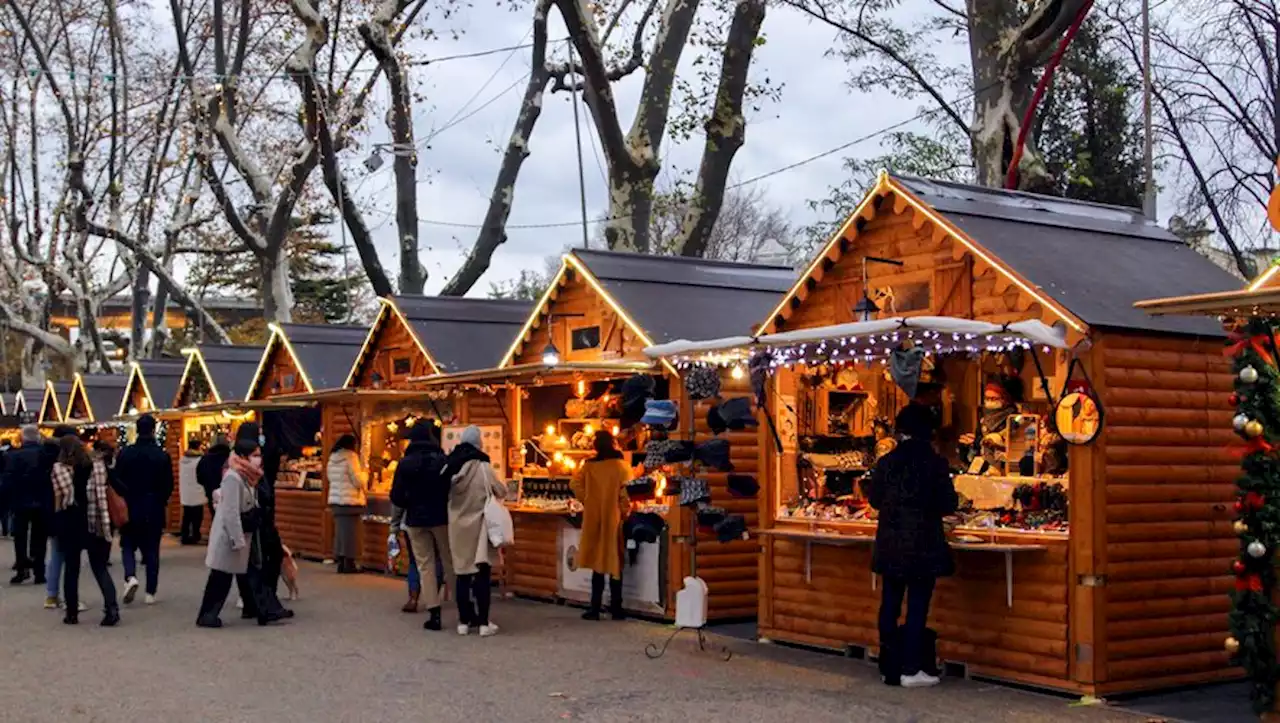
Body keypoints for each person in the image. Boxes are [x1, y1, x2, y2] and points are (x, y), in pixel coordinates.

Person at [865, 403, 959, 689]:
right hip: (923, 542)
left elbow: (875, 500)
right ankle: (911, 668)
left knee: (890, 603)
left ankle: (888, 665)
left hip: (891, 542)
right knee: (918, 605)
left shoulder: (887, 462)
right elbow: (948, 504)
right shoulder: (935, 464)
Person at [197, 424, 281, 628]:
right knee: (221, 577)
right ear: (243, 456)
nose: (258, 459)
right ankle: (208, 615)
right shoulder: (234, 478)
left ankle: (261, 609)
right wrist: (237, 539)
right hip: (231, 536)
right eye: (255, 455)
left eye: (259, 454)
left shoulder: (247, 477)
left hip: (243, 533)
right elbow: (230, 512)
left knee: (241, 573)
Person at [446, 425, 507, 637]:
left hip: (457, 527)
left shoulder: (451, 465)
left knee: (462, 574)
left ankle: (463, 622)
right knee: (482, 575)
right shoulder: (483, 466)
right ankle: (483, 623)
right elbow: (500, 490)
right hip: (479, 527)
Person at [52, 437, 120, 626]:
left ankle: (71, 613)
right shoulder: (97, 466)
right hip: (95, 520)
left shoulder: (59, 469)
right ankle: (112, 609)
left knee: (71, 569)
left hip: (71, 521)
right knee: (99, 567)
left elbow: (60, 498)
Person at [390, 423, 451, 630]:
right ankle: (464, 608)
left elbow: (396, 496)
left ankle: (434, 613)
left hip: (415, 519)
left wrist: (409, 503)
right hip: (441, 517)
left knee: (424, 564)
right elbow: (451, 489)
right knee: (448, 560)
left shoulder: (405, 463)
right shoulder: (442, 461)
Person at [112, 414, 175, 605]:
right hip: (153, 505)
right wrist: (160, 499)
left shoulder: (125, 453)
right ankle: (151, 592)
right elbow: (168, 484)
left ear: (137, 429)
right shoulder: (162, 455)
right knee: (152, 549)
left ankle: (130, 576)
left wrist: (124, 495)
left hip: (130, 505)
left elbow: (116, 478)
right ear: (154, 430)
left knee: (128, 545)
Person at [570, 430, 631, 621]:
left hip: (594, 517)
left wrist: (587, 500)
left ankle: (594, 607)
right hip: (614, 517)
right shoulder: (622, 466)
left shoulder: (589, 466)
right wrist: (624, 511)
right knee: (614, 562)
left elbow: (574, 484)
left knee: (597, 562)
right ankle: (616, 608)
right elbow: (626, 493)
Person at [4, 424, 50, 586]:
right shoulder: (45, 455)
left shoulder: (13, 456)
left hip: (20, 500)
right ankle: (39, 570)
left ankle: (22, 568)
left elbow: (8, 480)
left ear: (22, 438)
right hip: (42, 500)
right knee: (39, 537)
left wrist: (7, 500)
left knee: (20, 536)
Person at [326, 434, 366, 574]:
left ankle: (341, 562)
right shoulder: (351, 457)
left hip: (336, 501)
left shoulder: (332, 458)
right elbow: (358, 481)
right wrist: (365, 475)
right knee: (351, 534)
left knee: (341, 533)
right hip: (350, 501)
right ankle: (349, 564)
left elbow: (330, 478)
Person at [388, 502, 421, 613]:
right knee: (436, 560)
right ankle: (434, 599)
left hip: (411, 520)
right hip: (438, 520)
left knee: (414, 560)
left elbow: (398, 501)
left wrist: (394, 527)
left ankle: (413, 598)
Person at [178, 439, 206, 545]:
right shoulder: (200, 459)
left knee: (187, 515)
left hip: (186, 491)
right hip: (197, 490)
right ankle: (195, 535)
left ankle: (184, 535)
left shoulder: (182, 459)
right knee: (197, 515)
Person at [196, 434, 230, 520]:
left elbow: (199, 478)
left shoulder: (205, 459)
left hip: (212, 495)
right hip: (230, 495)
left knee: (216, 521)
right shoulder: (231, 458)